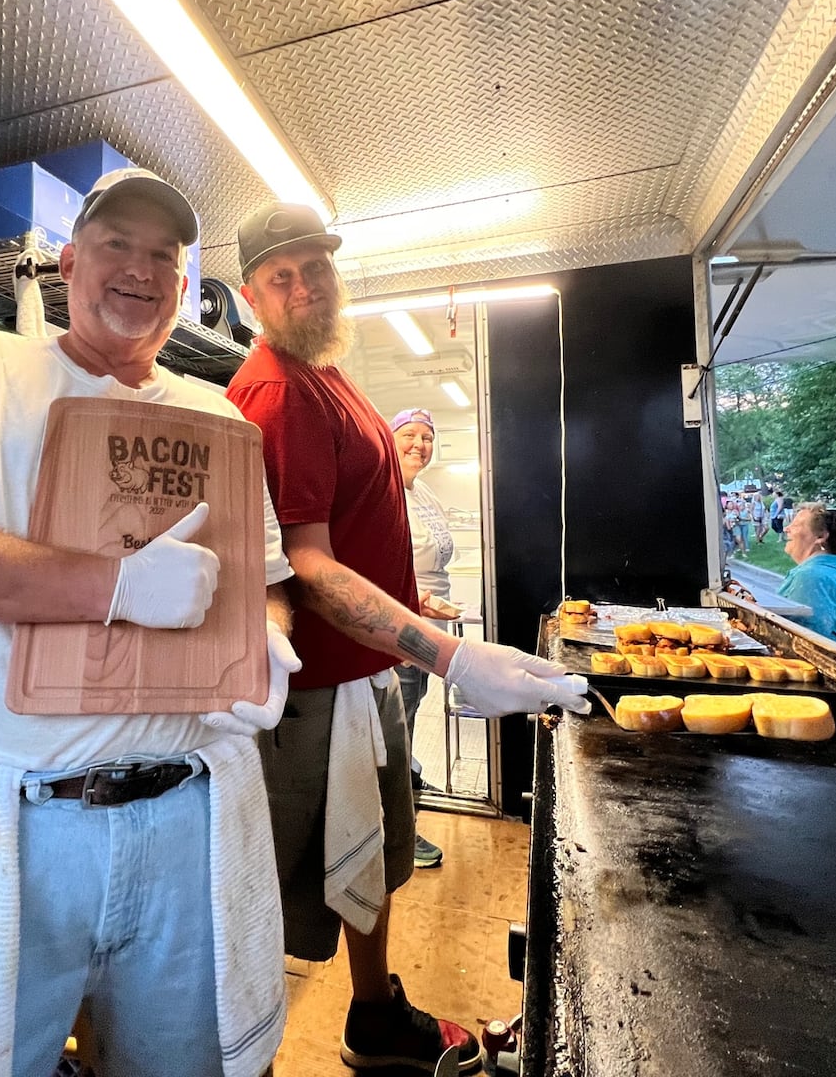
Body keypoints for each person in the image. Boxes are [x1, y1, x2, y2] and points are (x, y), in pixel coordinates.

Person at [0, 169, 301, 1077]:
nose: (140, 270)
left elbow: (261, 577)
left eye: (164, 255)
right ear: (69, 260)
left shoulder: (215, 417)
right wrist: (109, 586)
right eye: (117, 243)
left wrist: (262, 642)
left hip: (186, 822)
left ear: (185, 289)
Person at [225, 202, 589, 1075]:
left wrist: (410, 626)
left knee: (376, 852)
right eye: (282, 276)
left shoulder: (328, 369)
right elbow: (305, 564)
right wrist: (449, 654)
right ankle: (242, 1052)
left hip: (363, 672)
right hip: (310, 691)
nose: (305, 285)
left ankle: (374, 1012)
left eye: (316, 266)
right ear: (249, 298)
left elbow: (355, 531)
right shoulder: (276, 391)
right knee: (275, 891)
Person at [388, 406, 459, 869]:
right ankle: (397, 834)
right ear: (390, 439)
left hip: (429, 626)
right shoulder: (386, 491)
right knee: (396, 726)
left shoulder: (423, 492)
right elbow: (372, 564)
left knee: (411, 712)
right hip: (402, 626)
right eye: (409, 435)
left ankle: (406, 788)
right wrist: (412, 608)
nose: (419, 444)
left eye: (427, 437)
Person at [776, 503, 836, 651]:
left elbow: (804, 642)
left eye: (797, 525)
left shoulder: (812, 576)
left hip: (823, 670)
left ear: (821, 536)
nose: (787, 529)